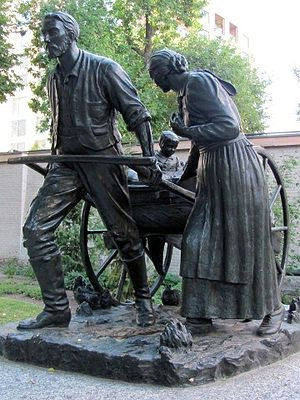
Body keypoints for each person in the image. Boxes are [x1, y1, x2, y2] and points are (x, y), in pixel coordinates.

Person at [17, 11, 161, 330]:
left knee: (123, 233)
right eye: (44, 34)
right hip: (66, 164)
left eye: (52, 32)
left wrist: (150, 158)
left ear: (71, 34)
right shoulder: (53, 79)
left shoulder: (105, 69)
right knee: (35, 230)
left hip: (102, 162)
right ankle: (56, 309)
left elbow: (136, 114)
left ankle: (143, 300)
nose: (46, 39)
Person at [148, 48, 285, 336]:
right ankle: (200, 314)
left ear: (166, 71)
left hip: (234, 168)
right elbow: (199, 143)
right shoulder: (185, 92)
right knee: (200, 240)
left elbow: (229, 127)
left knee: (244, 243)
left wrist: (185, 132)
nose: (153, 80)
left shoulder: (198, 82)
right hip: (213, 172)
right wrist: (180, 176)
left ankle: (273, 309)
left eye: (154, 74)